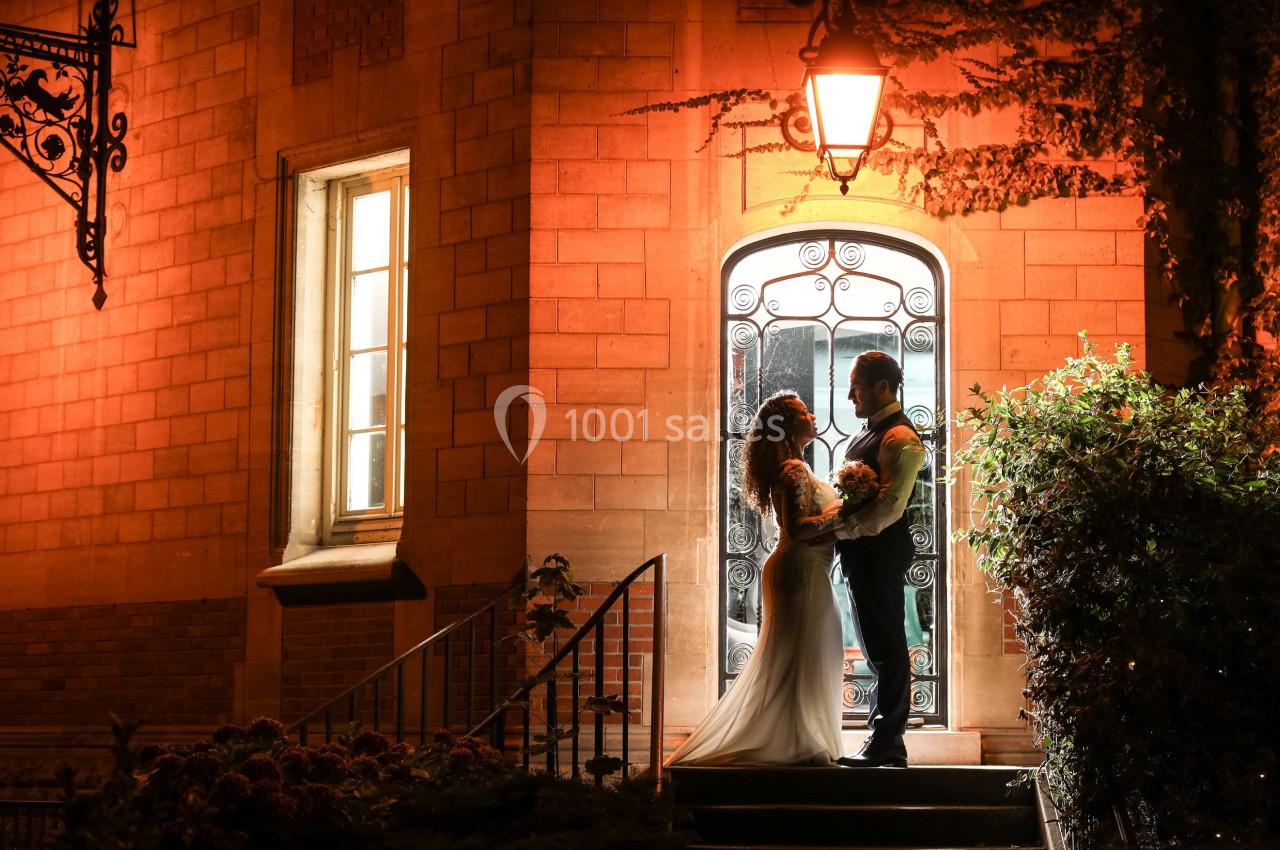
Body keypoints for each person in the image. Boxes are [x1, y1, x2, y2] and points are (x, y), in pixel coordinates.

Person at [668, 391, 845, 766]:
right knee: (802, 655)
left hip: (806, 569)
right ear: (786, 424)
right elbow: (796, 528)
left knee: (806, 653)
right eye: (803, 412)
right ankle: (801, 742)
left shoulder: (799, 467)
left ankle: (800, 737)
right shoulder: (794, 471)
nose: (811, 415)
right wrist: (846, 514)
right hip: (801, 568)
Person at [824, 351, 926, 768]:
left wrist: (837, 531)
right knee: (874, 645)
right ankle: (886, 740)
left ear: (882, 386)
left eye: (857, 385)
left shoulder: (900, 439)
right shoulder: (867, 435)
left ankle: (888, 740)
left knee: (887, 647)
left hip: (880, 553)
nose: (851, 395)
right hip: (862, 554)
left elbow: (888, 509)